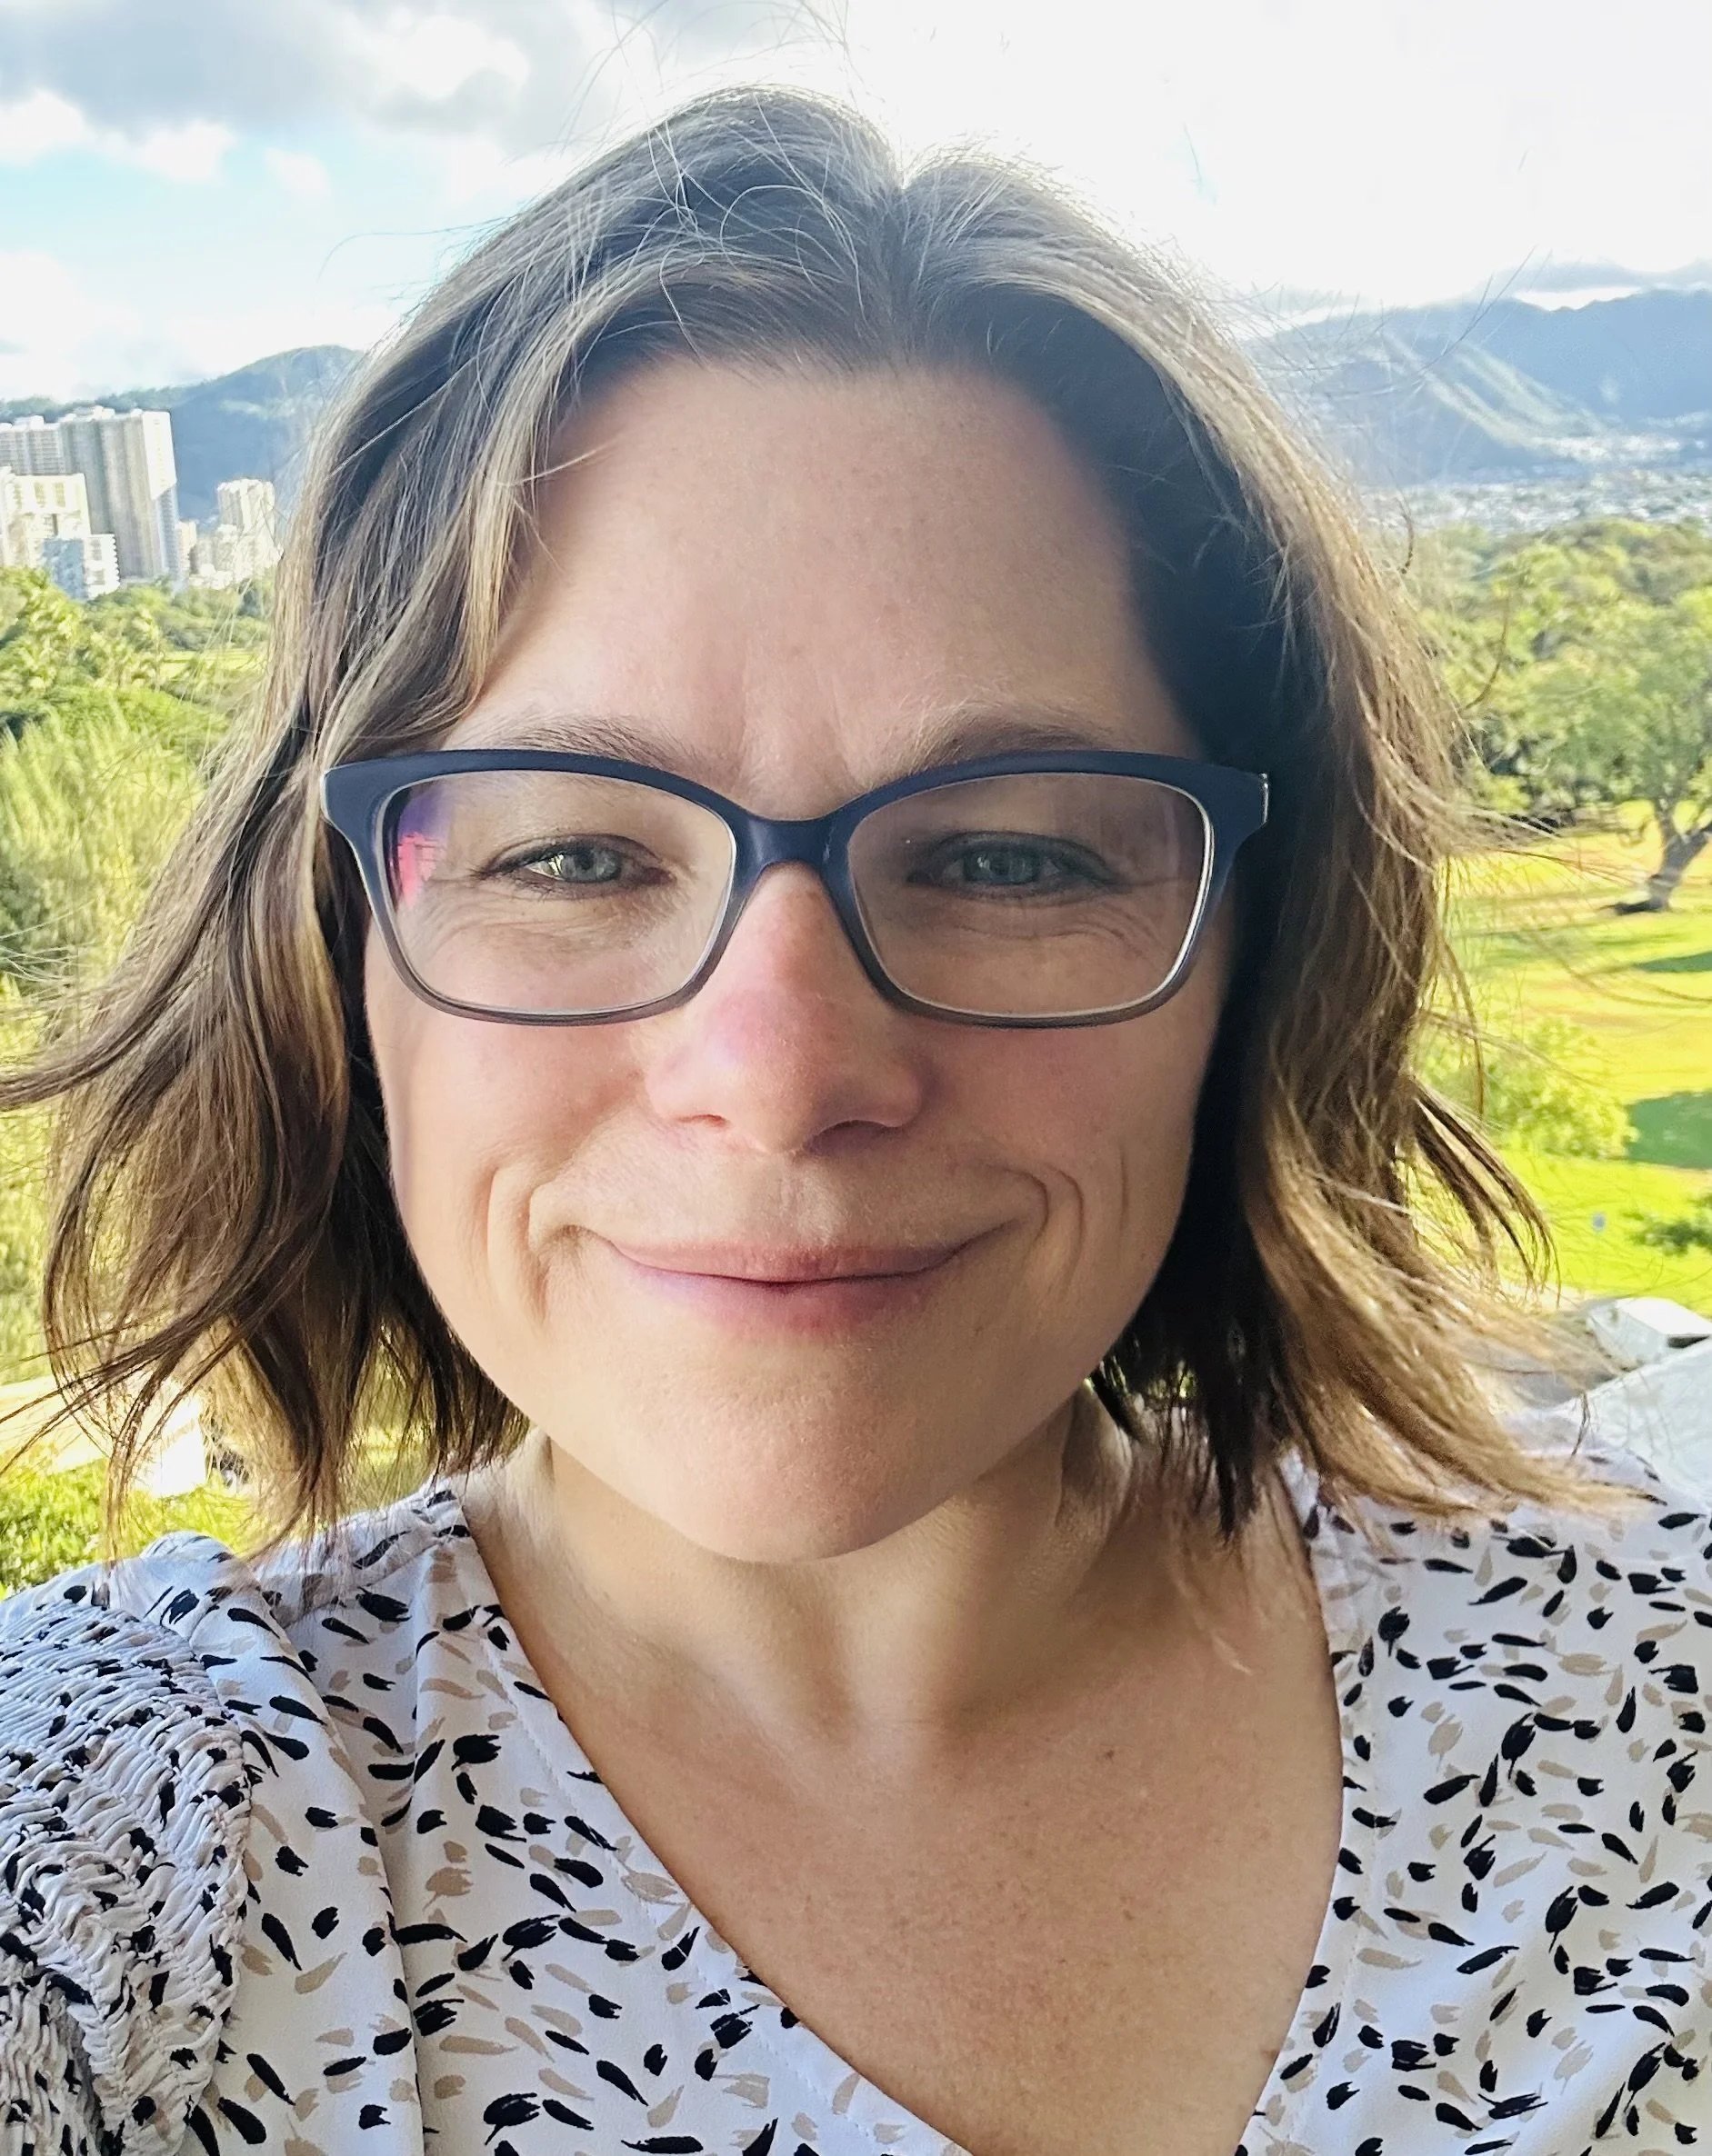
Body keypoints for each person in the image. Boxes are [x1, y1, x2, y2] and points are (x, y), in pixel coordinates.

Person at [0, 88, 1706, 2156]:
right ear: (336, 943)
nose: (787, 1070)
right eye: (574, 859)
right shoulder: (97, 1860)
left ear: (1249, 956)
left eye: (1001, 859)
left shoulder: (1649, 1702)